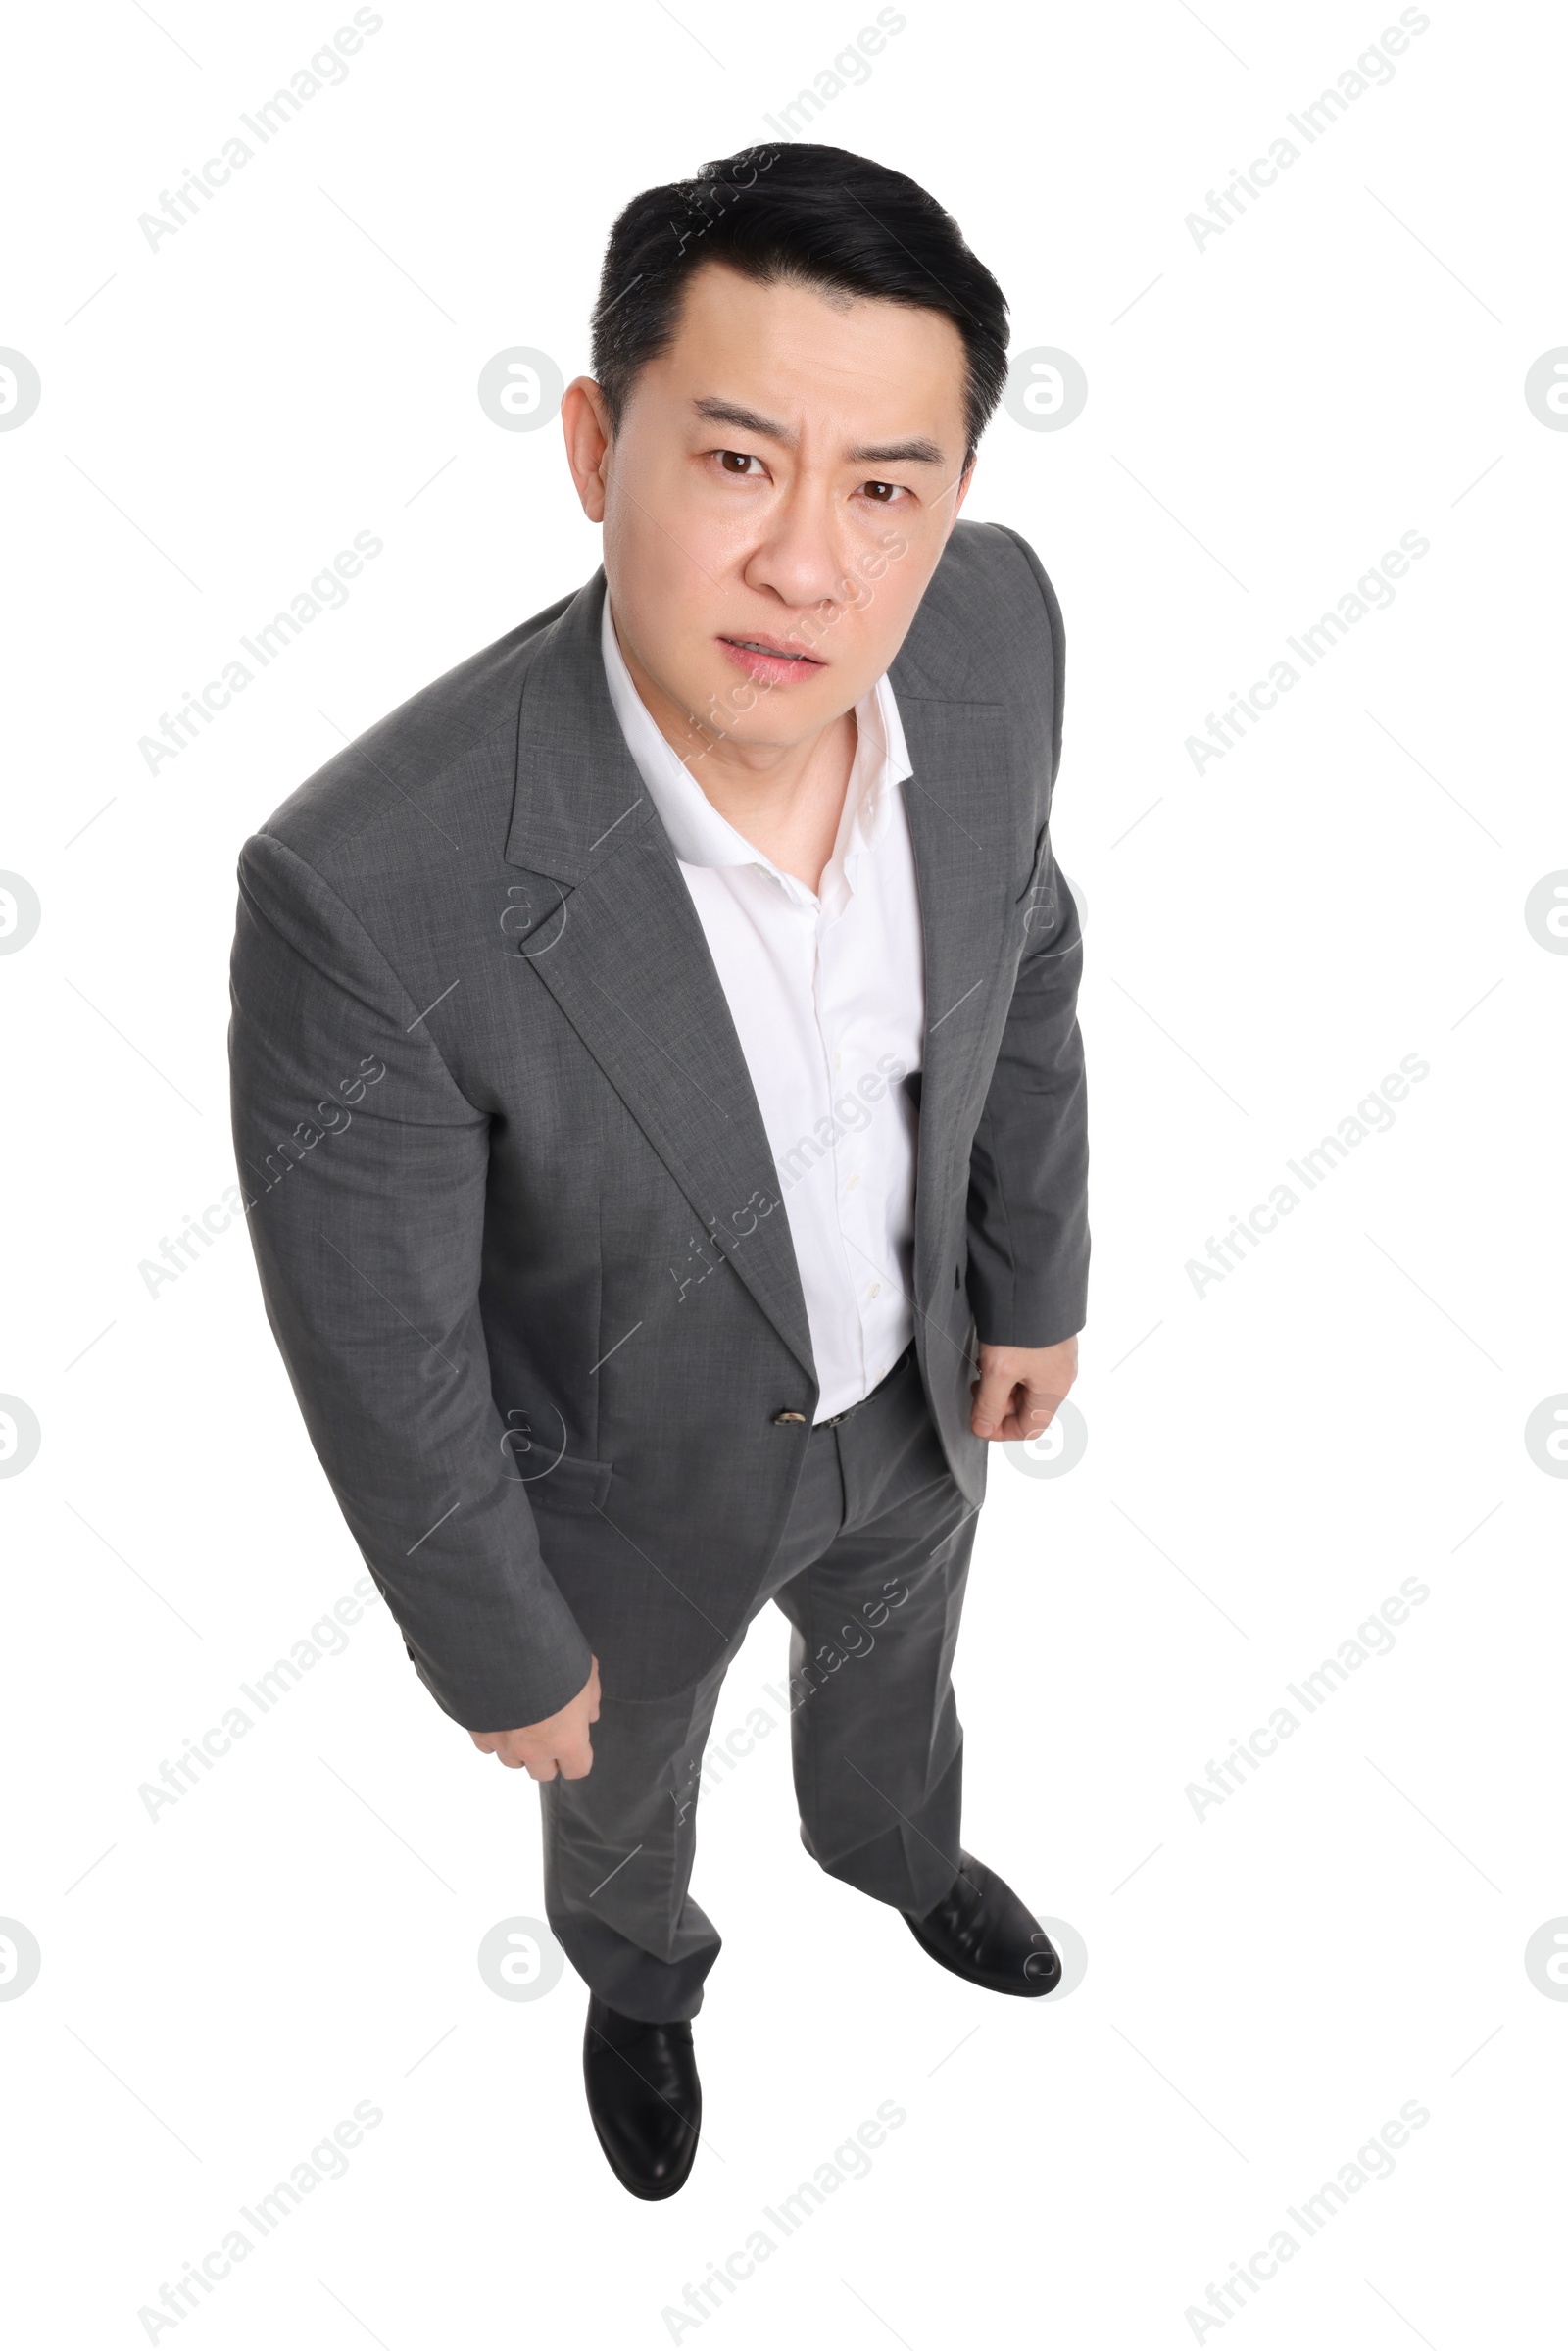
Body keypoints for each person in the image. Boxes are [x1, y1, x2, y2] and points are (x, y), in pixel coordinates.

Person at [227, 141, 1089, 2200]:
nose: (811, 565)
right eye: (733, 463)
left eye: (886, 484)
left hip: (918, 1392)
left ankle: (893, 1852)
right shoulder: (365, 891)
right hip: (622, 1500)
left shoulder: (993, 641)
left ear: (954, 496)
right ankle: (642, 1982)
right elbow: (382, 1344)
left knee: (898, 1670)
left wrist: (1032, 1273)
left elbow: (1024, 945)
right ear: (598, 444)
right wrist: (494, 1646)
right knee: (620, 1806)